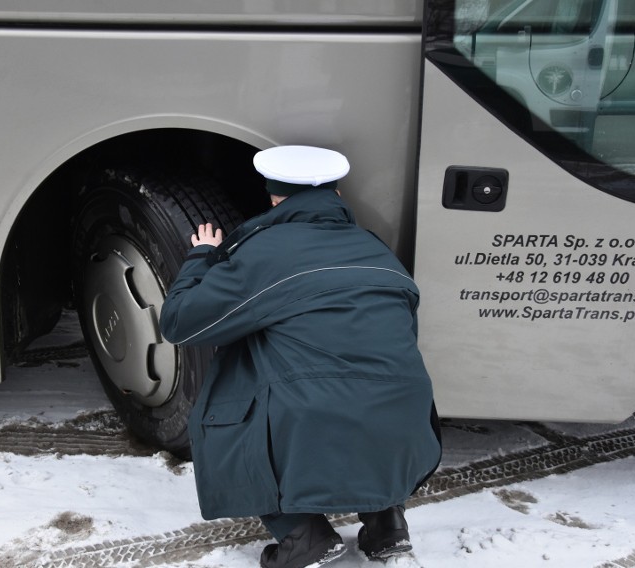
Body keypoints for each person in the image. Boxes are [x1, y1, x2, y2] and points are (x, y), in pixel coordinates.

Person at [159, 145, 441, 568]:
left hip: (318, 413)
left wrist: (201, 257)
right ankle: (388, 528)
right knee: (370, 391)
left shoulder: (265, 250)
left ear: (274, 198)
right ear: (338, 197)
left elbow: (181, 323)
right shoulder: (377, 250)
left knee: (230, 407)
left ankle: (303, 535)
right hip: (408, 421)